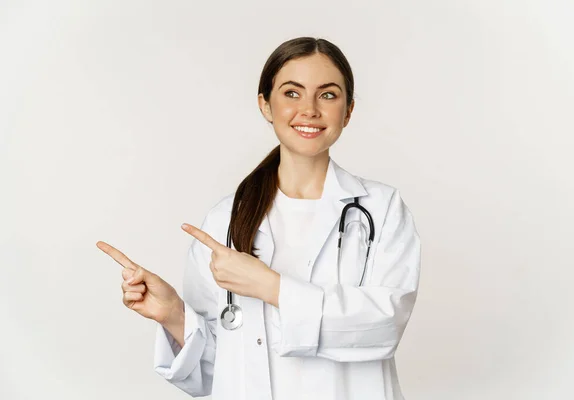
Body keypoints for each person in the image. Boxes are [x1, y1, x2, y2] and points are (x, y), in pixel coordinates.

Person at [97, 36, 421, 400]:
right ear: (265, 105)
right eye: (292, 93)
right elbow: (214, 371)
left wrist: (272, 287)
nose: (310, 109)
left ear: (348, 111)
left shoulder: (382, 208)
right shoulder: (225, 221)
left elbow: (385, 327)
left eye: (328, 94)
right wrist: (172, 313)